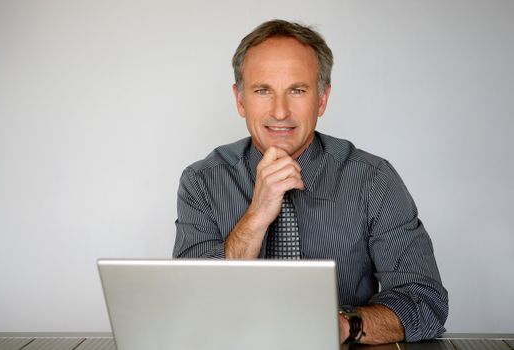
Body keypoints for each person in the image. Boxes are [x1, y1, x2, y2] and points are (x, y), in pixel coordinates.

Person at [173, 19, 448, 345]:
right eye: (262, 91)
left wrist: (345, 326)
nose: (279, 112)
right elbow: (190, 305)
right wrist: (256, 216)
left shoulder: (373, 180)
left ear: (321, 99)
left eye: (297, 90)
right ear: (240, 100)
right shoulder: (201, 182)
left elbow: (425, 303)